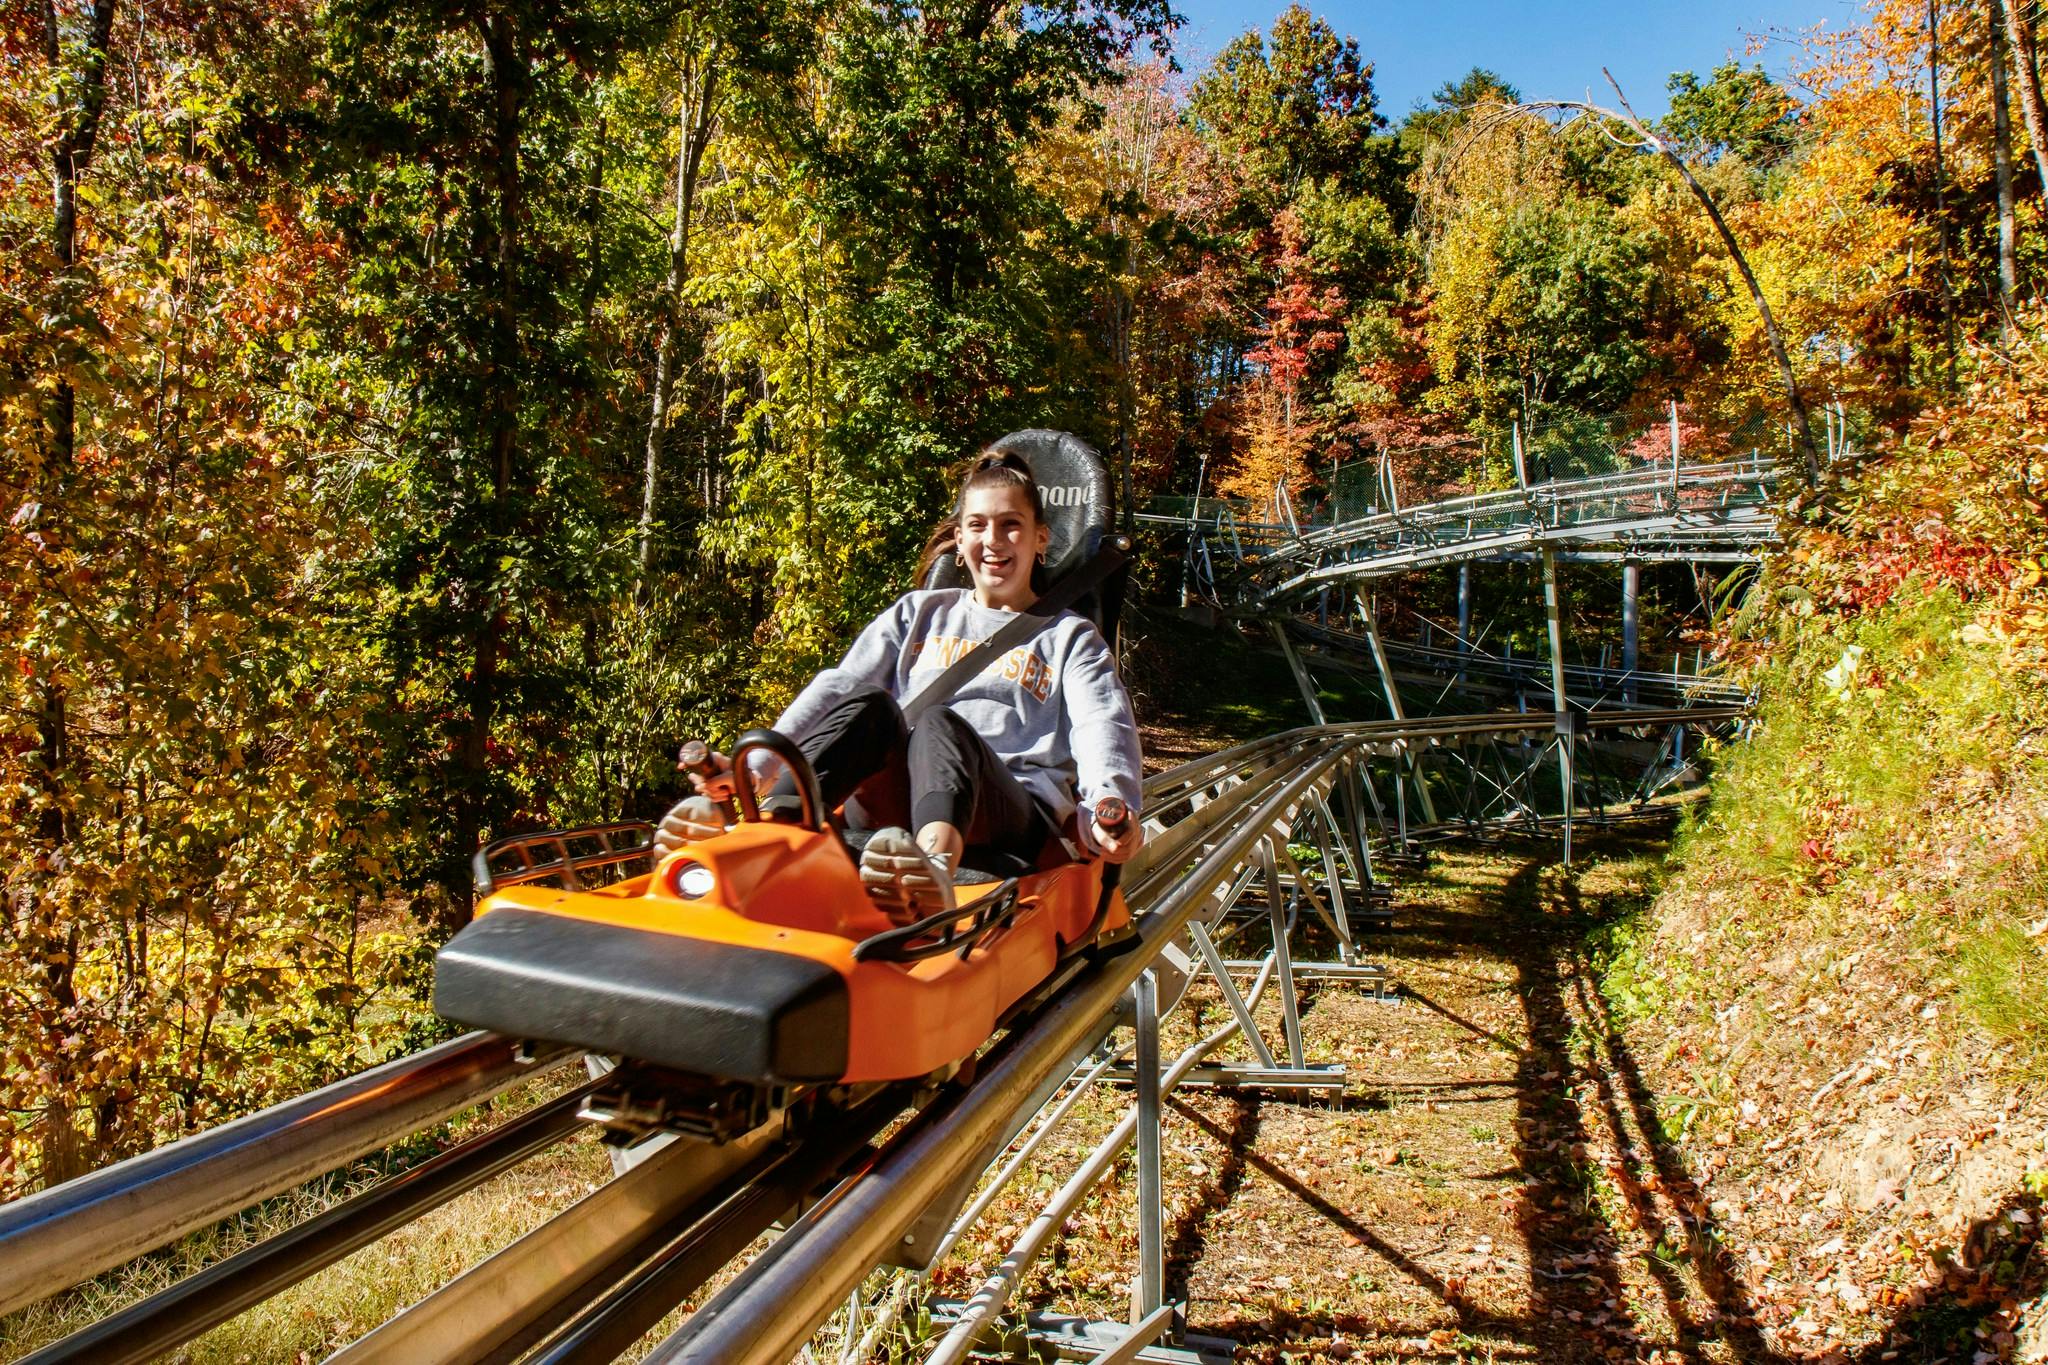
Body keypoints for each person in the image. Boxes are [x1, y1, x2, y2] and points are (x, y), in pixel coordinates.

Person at [658, 450, 1144, 923]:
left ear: (1040, 539)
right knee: (869, 703)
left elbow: (1101, 723)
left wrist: (1107, 806)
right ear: (958, 538)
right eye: (977, 525)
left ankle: (930, 872)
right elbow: (836, 691)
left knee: (938, 723)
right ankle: (759, 841)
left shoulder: (1068, 637)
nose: (993, 540)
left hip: (1007, 819)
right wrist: (756, 770)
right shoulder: (919, 613)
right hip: (905, 803)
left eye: (1011, 525)